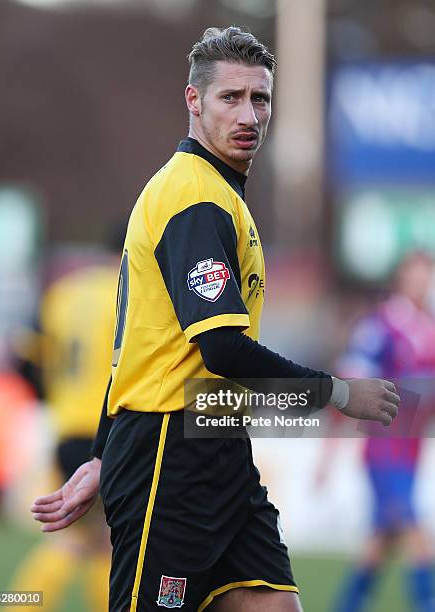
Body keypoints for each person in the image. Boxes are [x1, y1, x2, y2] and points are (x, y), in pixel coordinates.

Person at [31, 27, 399, 612]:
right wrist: (334, 391)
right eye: (231, 97)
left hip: (216, 439)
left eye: (261, 98)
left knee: (275, 606)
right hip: (168, 457)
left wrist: (102, 451)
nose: (250, 114)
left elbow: (139, 342)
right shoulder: (194, 198)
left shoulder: (220, 196)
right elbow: (222, 349)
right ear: (193, 101)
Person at [317, 252, 435, 612]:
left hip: (411, 454)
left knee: (379, 546)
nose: (422, 282)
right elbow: (347, 388)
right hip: (385, 455)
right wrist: (328, 455)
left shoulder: (427, 329)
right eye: (416, 275)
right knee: (418, 539)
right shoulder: (380, 327)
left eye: (427, 275)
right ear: (402, 278)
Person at [7, 253, 120, 612]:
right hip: (107, 434)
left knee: (99, 540)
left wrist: (55, 396)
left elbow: (25, 358)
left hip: (67, 428)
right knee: (78, 540)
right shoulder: (129, 292)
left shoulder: (63, 292)